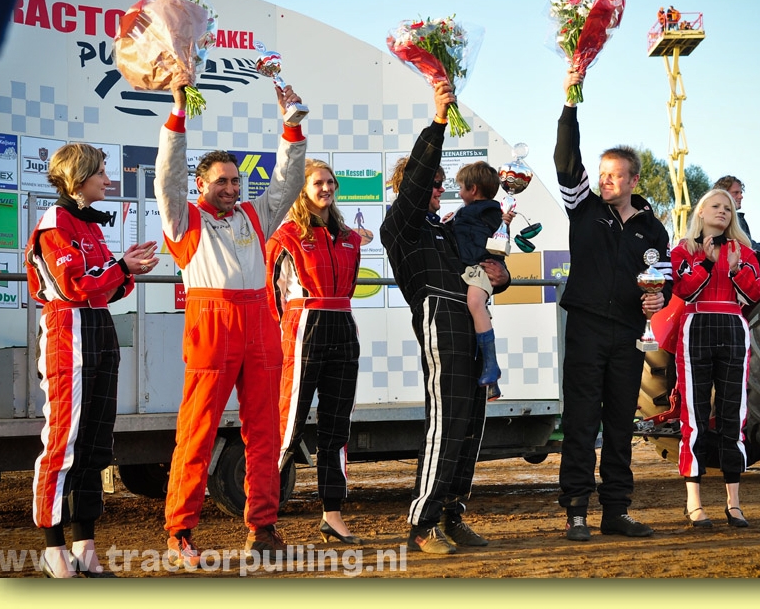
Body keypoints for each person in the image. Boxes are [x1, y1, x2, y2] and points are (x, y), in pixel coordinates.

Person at [154, 75, 306, 568]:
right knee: (197, 431)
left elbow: (287, 182)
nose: (231, 188)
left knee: (265, 432)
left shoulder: (254, 215)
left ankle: (263, 528)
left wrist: (291, 129)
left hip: (259, 323)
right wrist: (177, 114)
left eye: (236, 181)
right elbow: (166, 177)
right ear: (201, 184)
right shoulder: (183, 218)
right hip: (212, 325)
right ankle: (180, 533)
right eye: (221, 181)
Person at [381, 81, 511, 555]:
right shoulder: (401, 225)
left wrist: (503, 276)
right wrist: (439, 121)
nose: (439, 189)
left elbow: (484, 268)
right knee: (447, 421)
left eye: (442, 183)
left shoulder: (449, 228)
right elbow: (417, 179)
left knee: (471, 425)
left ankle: (453, 515)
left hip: (471, 322)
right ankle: (422, 525)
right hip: (439, 317)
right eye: (433, 184)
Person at [25, 143, 159, 577]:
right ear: (79, 176)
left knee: (96, 444)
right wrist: (120, 268)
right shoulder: (55, 223)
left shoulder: (89, 223)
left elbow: (106, 289)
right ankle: (52, 547)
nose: (108, 179)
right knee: (63, 442)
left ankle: (84, 545)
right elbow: (74, 285)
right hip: (67, 332)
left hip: (100, 327)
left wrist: (127, 270)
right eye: (102, 172)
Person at [554, 66, 673, 542]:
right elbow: (566, 158)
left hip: (628, 334)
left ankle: (616, 511)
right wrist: (571, 100)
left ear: (633, 179)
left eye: (614, 175)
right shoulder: (583, 206)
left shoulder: (653, 229)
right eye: (601, 174)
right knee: (581, 422)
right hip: (585, 328)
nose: (605, 181)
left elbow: (662, 282)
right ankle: (577, 512)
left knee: (621, 423)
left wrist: (657, 298)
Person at [266, 159, 363, 546]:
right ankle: (262, 520)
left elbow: (351, 286)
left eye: (330, 182)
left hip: (344, 325)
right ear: (302, 190)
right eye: (318, 183)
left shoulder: (350, 238)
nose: (326, 188)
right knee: (288, 426)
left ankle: (332, 515)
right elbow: (272, 295)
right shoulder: (286, 235)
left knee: (337, 427)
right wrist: (284, 333)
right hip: (304, 327)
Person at [670, 189, 760, 528]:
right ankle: (694, 502)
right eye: (715, 205)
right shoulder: (684, 249)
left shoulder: (744, 252)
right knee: (694, 415)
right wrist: (709, 263)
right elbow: (683, 290)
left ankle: (734, 503)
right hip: (696, 323)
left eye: (728, 207)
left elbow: (757, 293)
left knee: (732, 414)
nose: (723, 211)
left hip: (732, 325)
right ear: (700, 211)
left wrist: (737, 268)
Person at [449, 160, 507, 401]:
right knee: (476, 312)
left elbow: (497, 243)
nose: (459, 193)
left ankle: (492, 365)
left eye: (461, 188)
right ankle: (491, 380)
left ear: (473, 189)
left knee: (475, 303)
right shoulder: (469, 213)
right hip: (472, 269)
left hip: (481, 267)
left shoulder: (487, 213)